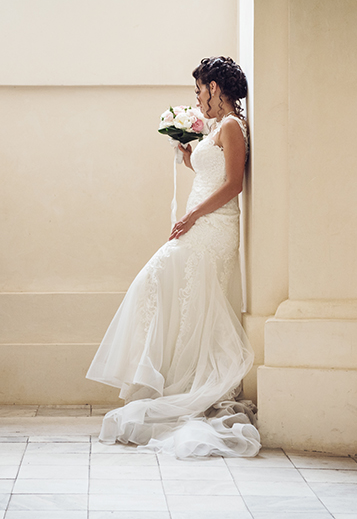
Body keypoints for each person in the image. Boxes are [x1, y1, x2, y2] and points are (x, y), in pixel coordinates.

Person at [87, 57, 260, 458]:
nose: (197, 98)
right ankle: (169, 378)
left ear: (215, 87)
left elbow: (233, 184)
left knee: (161, 277)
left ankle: (182, 385)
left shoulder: (233, 126)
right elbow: (208, 171)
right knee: (172, 292)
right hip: (199, 223)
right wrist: (185, 150)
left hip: (214, 228)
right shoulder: (217, 128)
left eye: (199, 89)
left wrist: (192, 216)